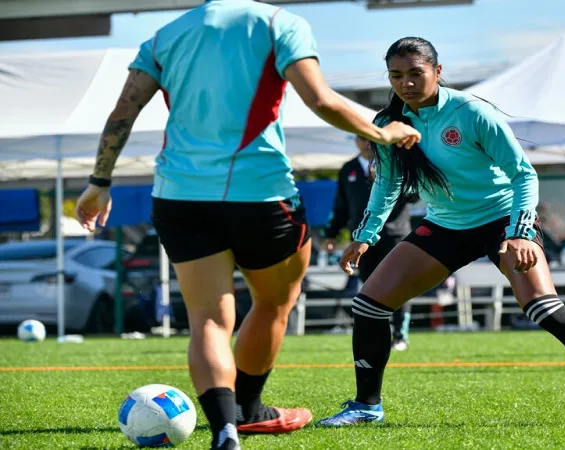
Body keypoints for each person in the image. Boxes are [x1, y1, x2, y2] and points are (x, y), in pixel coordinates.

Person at [73, 2, 421, 449]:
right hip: (261, 194)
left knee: (208, 320)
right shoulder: (281, 24)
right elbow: (321, 100)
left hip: (180, 195)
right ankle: (250, 410)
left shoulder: (165, 36)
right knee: (275, 302)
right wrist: (385, 133)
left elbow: (123, 112)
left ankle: (225, 431)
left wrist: (99, 182)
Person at [316, 37, 565, 427]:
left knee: (542, 308)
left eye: (416, 73)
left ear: (437, 71)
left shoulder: (471, 113)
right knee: (369, 304)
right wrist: (365, 235)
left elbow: (523, 174)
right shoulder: (387, 124)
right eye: (396, 75)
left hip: (503, 220)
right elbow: (387, 184)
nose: (407, 83)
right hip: (446, 225)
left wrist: (520, 232)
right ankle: (367, 405)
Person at [323, 135, 416, 351]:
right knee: (369, 286)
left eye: (370, 138)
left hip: (395, 234)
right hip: (361, 238)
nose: (366, 143)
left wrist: (395, 185)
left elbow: (415, 194)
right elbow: (341, 204)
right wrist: (331, 233)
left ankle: (400, 334)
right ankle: (378, 333)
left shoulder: (397, 162)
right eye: (361, 138)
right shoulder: (349, 169)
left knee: (398, 284)